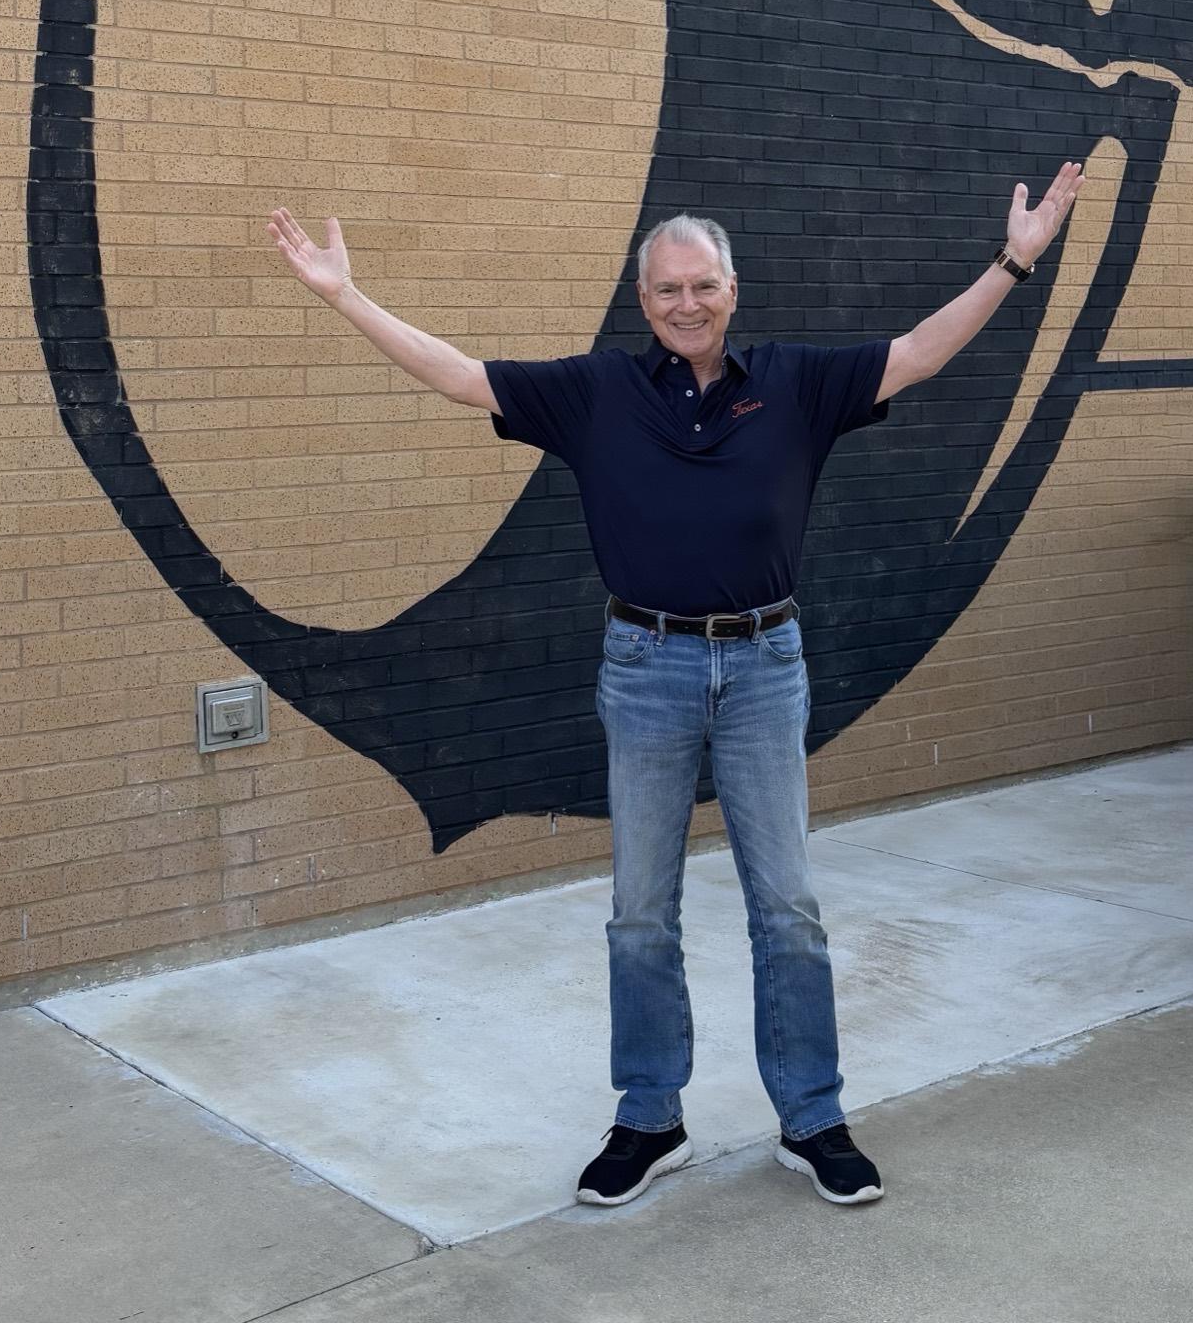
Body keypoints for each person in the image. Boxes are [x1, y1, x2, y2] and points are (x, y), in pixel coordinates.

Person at [267, 164, 1083, 1208]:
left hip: (762, 666)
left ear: (730, 289)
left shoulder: (793, 381)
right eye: (664, 291)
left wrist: (1014, 261)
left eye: (701, 286)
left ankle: (812, 1116)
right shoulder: (596, 393)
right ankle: (648, 1117)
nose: (685, 305)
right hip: (644, 669)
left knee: (785, 907)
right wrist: (345, 298)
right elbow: (460, 376)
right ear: (640, 300)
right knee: (638, 912)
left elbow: (919, 354)